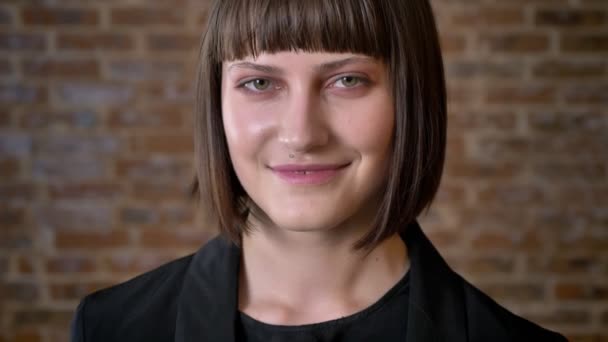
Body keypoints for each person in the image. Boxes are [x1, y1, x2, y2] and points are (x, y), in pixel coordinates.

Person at [70, 0, 567, 341]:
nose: (302, 134)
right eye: (260, 82)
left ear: (411, 97)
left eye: (347, 80)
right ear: (216, 103)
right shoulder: (110, 328)